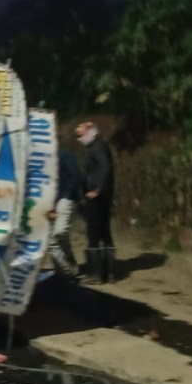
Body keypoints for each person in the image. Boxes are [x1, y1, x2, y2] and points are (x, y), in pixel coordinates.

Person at [75, 121, 115, 283]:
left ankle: (95, 273)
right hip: (103, 196)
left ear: (90, 133)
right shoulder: (100, 146)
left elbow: (106, 168)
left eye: (80, 135)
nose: (79, 139)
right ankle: (110, 273)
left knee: (93, 233)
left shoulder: (97, 148)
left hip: (97, 198)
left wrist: (97, 189)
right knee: (105, 233)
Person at [48, 146, 82, 277]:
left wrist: (68, 194)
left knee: (60, 231)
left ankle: (68, 260)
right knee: (51, 238)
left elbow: (76, 174)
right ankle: (64, 267)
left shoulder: (64, 153)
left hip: (65, 197)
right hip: (50, 200)